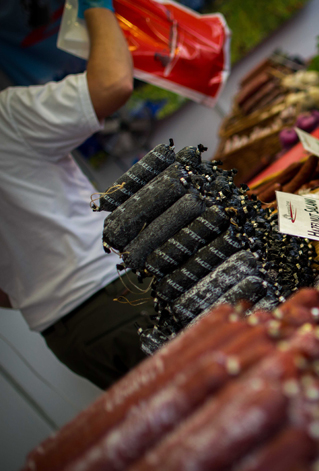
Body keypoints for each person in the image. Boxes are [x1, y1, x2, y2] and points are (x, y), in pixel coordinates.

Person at [0, 0, 155, 390]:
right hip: (118, 291)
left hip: (69, 337)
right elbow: (111, 83)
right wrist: (96, 6)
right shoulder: (5, 117)